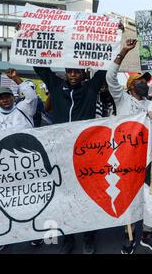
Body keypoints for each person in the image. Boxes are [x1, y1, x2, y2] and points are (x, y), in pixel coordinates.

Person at [33, 65, 107, 254]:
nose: (73, 75)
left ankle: (89, 236)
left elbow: (106, 69)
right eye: (70, 71)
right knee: (64, 198)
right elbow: (41, 68)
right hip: (61, 153)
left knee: (87, 196)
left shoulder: (91, 88)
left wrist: (120, 48)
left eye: (77, 71)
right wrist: (26, 34)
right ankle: (67, 237)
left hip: (86, 154)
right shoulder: (56, 86)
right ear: (65, 73)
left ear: (83, 73)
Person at [106, 39, 152, 254]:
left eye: (145, 82)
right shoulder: (121, 98)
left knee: (150, 195)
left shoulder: (149, 104)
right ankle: (128, 234)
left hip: (148, 157)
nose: (144, 84)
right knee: (128, 194)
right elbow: (110, 77)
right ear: (131, 86)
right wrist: (123, 51)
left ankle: (147, 234)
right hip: (126, 157)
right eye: (140, 81)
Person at [0, 68, 38, 253]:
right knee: (5, 201)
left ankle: (34, 234)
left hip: (26, 163)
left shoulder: (24, 109)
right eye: (1, 98)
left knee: (29, 199)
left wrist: (16, 78)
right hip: (4, 167)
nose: (4, 100)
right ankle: (3, 235)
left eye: (7, 97)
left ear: (12, 97)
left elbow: (31, 96)